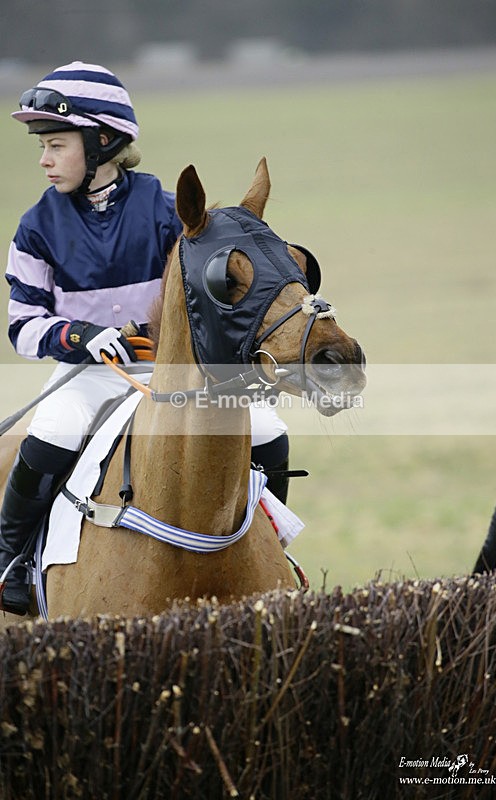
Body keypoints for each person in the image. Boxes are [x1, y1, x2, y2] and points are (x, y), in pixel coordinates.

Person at [0, 62, 290, 616]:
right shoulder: (34, 228)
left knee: (270, 430)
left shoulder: (164, 211)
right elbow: (23, 324)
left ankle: (266, 540)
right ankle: (9, 560)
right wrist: (82, 336)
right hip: (88, 373)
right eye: (44, 146)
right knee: (52, 431)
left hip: (169, 371)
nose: (44, 159)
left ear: (101, 141)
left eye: (56, 145)